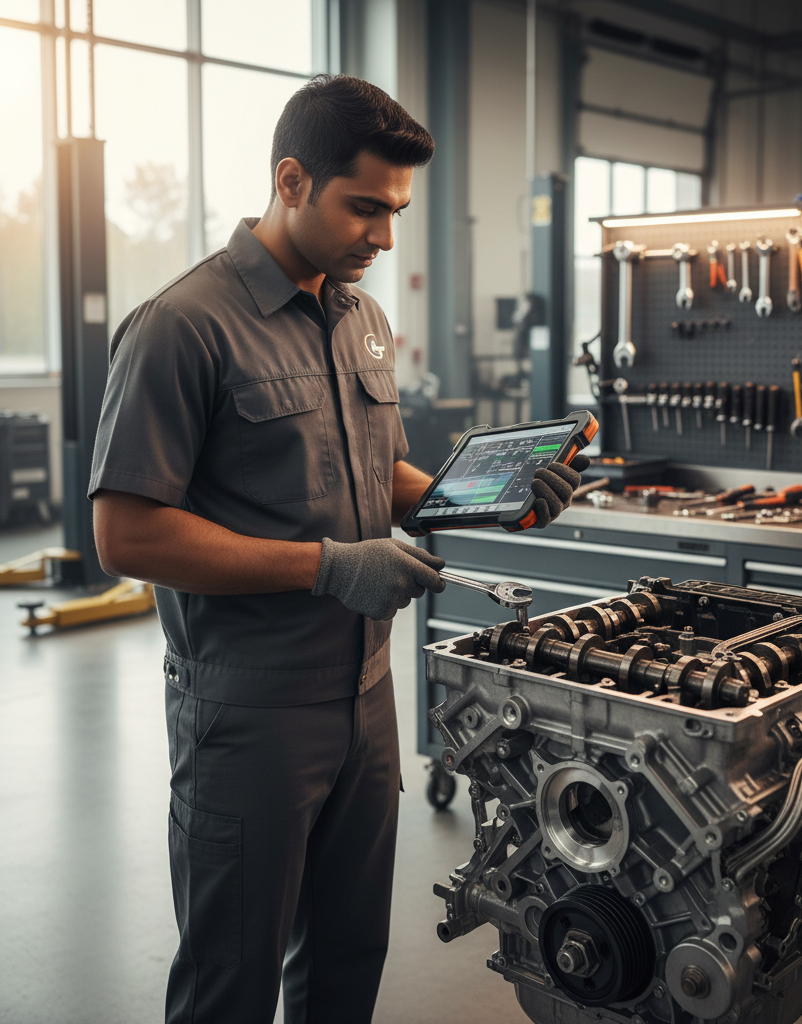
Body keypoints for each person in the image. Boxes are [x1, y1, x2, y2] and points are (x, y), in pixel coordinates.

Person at [89, 74, 587, 1024]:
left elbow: (380, 473)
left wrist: (489, 498)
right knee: (232, 978)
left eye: (397, 210)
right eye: (365, 207)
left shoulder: (362, 319)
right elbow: (126, 533)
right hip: (250, 709)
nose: (385, 236)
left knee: (348, 959)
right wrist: (330, 566)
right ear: (291, 181)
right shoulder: (181, 326)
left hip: (365, 695)